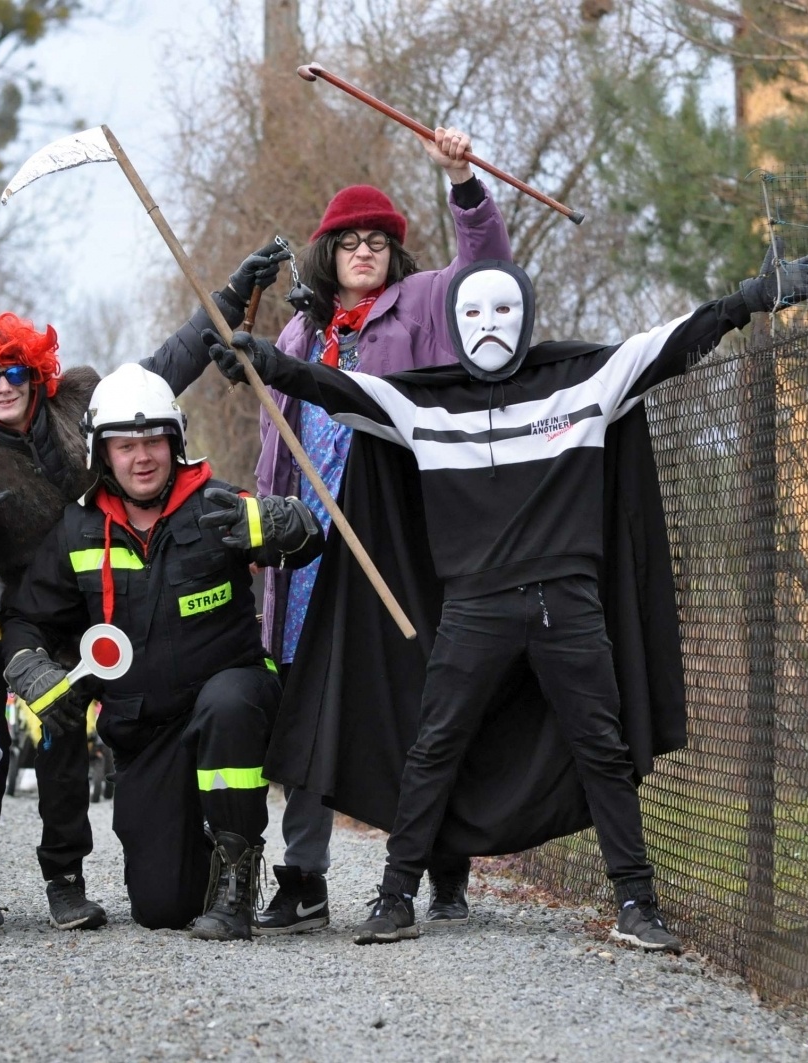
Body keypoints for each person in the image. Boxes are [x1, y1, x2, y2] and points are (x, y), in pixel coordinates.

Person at [210, 244, 808, 947]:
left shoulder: (584, 381)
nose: (489, 324)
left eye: (505, 308)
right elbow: (332, 388)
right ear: (455, 317)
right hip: (474, 605)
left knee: (602, 745)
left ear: (527, 315)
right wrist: (261, 361)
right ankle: (396, 896)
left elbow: (673, 340)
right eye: (473, 311)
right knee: (434, 744)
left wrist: (752, 297)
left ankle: (637, 903)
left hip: (567, 605)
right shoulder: (425, 402)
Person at [0, 243, 290, 932]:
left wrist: (224, 302)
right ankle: (60, 876)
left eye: (14, 370)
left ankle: (238, 864)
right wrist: (23, 654)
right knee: (61, 747)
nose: (3, 386)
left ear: (36, 370)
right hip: (58, 607)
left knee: (220, 695)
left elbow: (162, 371)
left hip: (130, 589)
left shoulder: (88, 403)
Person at [249, 126, 512, 936]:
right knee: (309, 714)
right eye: (349, 241)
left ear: (394, 255)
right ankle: (304, 875)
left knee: (415, 703)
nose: (364, 251)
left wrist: (463, 184)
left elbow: (488, 271)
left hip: (400, 544)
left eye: (378, 242)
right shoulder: (300, 336)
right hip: (309, 556)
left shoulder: (428, 304)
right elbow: (274, 458)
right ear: (328, 253)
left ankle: (441, 865)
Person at [0, 364, 323, 939]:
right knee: (163, 909)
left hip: (233, 698)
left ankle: (235, 880)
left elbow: (307, 542)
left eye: (153, 441)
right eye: (126, 445)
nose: (142, 457)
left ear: (175, 443)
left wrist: (286, 522)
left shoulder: (220, 507)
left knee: (227, 703)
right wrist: (33, 672)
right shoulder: (77, 529)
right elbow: (26, 617)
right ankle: (194, 852)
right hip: (145, 731)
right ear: (103, 453)